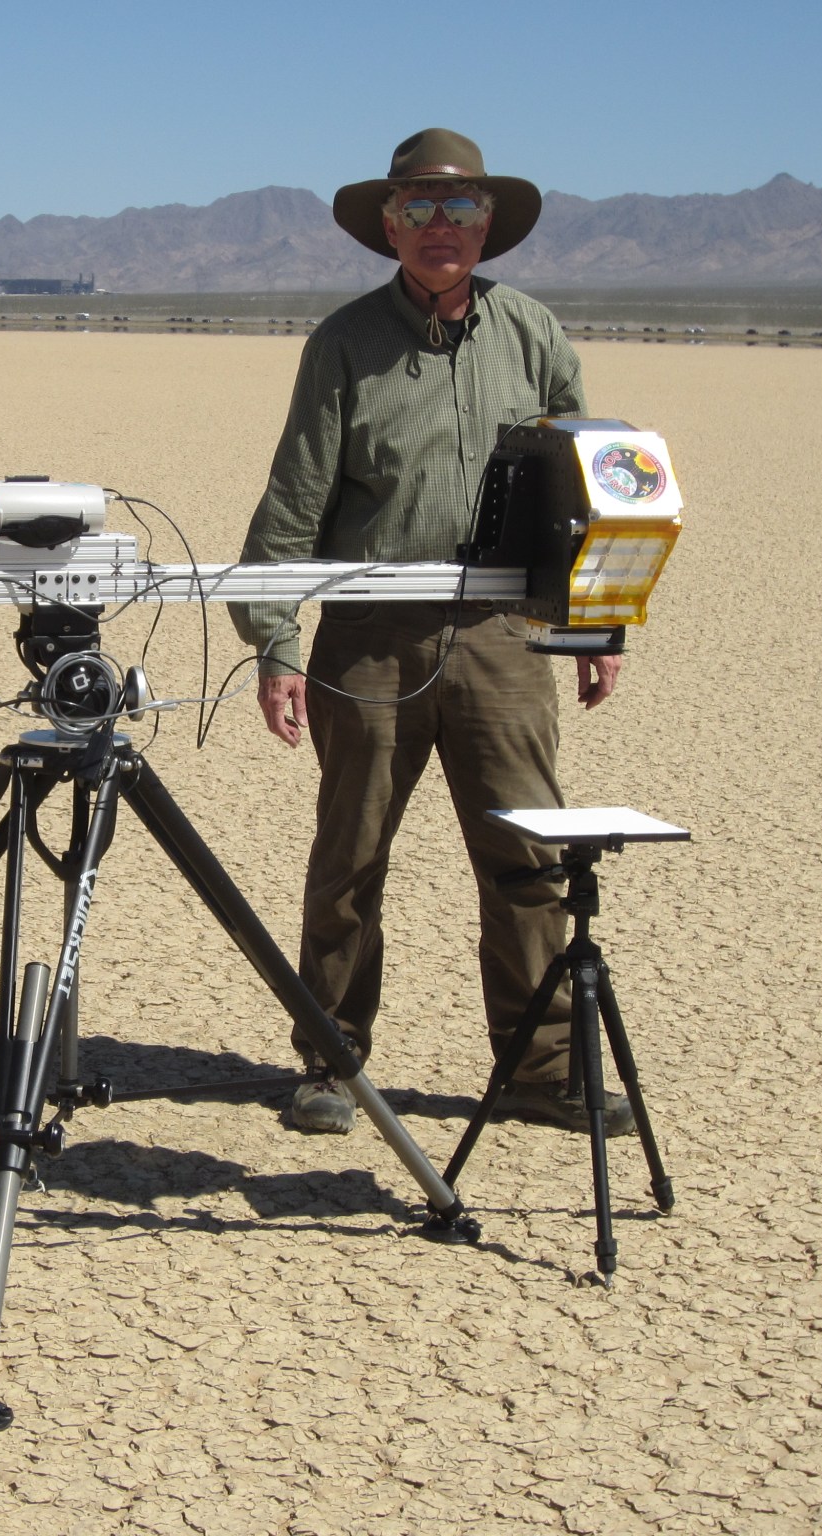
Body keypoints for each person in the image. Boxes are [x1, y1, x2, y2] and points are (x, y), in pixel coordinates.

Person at [230, 128, 630, 1137]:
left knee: (527, 857)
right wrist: (276, 640)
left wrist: (597, 618)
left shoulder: (532, 332)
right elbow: (296, 495)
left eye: (457, 210)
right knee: (350, 856)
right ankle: (330, 1063)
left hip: (499, 636)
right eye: (416, 209)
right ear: (388, 224)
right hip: (370, 636)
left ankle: (539, 1072)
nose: (438, 228)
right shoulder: (344, 344)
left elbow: (593, 486)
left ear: (487, 223)